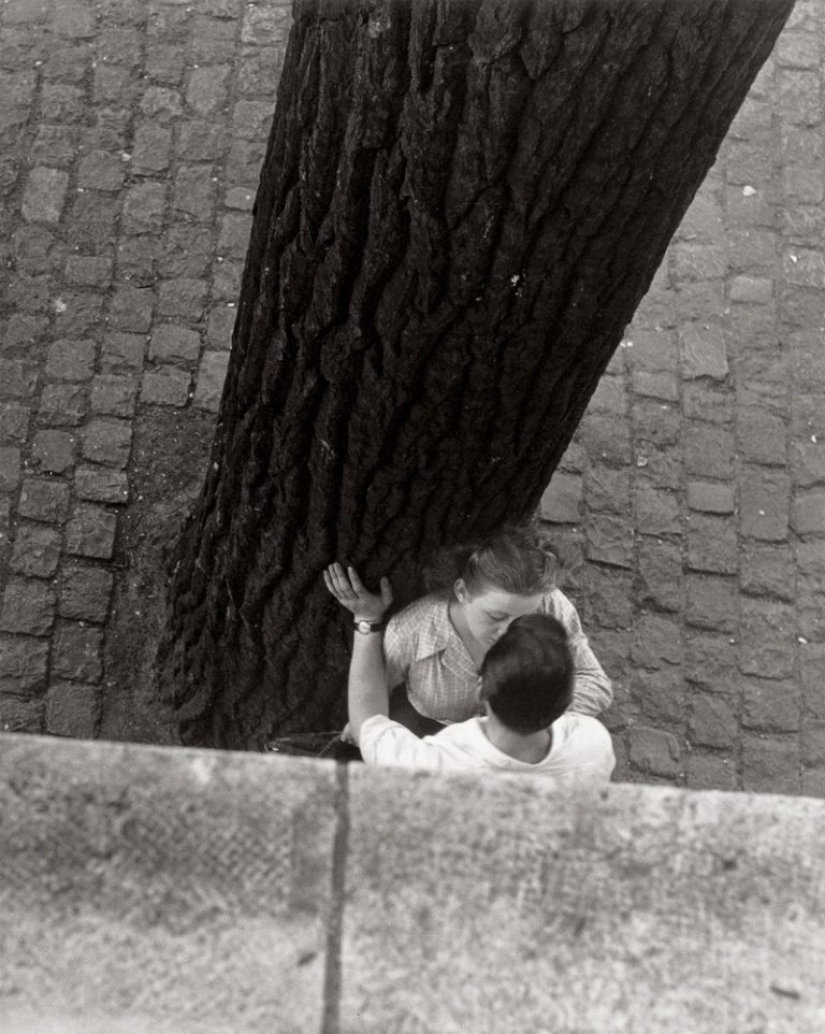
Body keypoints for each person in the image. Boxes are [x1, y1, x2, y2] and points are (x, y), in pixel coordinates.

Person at [324, 563, 615, 782]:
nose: (506, 630)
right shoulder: (594, 743)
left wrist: (367, 619)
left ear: (481, 687)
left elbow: (367, 725)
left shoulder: (432, 765)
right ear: (565, 701)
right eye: (497, 616)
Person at [381, 525, 612, 735]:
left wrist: (532, 716)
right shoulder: (409, 632)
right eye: (496, 616)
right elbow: (378, 692)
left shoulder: (550, 604)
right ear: (462, 591)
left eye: (525, 618)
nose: (508, 633)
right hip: (432, 732)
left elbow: (595, 683)